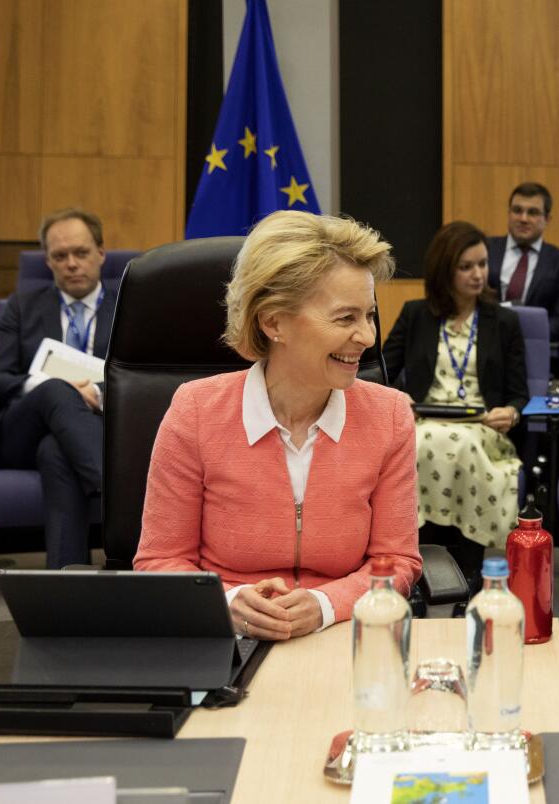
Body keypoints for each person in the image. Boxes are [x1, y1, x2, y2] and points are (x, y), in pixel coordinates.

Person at [134, 211, 422, 640]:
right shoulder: (194, 411)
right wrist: (227, 603)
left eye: (369, 315)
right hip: (223, 640)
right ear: (273, 323)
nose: (366, 336)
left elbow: (398, 561)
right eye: (345, 318)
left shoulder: (391, 416)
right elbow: (159, 560)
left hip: (343, 633)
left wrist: (325, 605)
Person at [384, 221, 528, 583]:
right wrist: (400, 400)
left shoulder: (504, 321)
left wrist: (509, 412)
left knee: (459, 444)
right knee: (418, 442)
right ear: (444, 270)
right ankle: (422, 565)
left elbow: (518, 393)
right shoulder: (416, 314)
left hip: (480, 427)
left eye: (482, 264)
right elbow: (382, 373)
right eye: (466, 267)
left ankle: (467, 569)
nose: (478, 274)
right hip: (425, 420)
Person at [0, 208, 116, 568]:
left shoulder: (128, 304)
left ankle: (67, 584)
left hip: (101, 425)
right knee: (57, 390)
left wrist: (98, 393)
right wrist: (53, 385)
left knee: (56, 451)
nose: (71, 263)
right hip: (22, 431)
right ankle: (119, 498)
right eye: (60, 256)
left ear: (101, 253)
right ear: (48, 261)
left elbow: (141, 374)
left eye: (81, 253)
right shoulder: (22, 306)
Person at [486, 182, 559, 338]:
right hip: (484, 340)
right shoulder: (485, 249)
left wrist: (519, 340)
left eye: (533, 212)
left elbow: (557, 322)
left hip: (532, 345)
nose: (523, 218)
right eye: (517, 210)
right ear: (509, 213)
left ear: (547, 219)